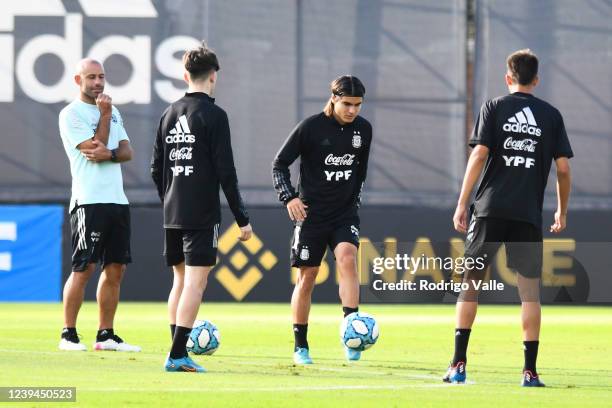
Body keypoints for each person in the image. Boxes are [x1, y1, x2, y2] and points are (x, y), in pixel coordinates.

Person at [444, 49, 573, 386]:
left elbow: (479, 155)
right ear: (537, 79)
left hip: (489, 209)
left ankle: (458, 365)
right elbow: (563, 169)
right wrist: (561, 209)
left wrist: (462, 202)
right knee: (530, 294)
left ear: (508, 77)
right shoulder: (551, 115)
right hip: (527, 215)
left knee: (470, 286)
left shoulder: (494, 107)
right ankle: (529, 371)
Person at [151, 42, 252, 373]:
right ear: (214, 76)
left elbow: (156, 168)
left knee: (179, 281)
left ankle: (176, 348)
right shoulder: (214, 115)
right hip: (201, 213)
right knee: (196, 283)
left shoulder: (168, 114)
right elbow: (227, 172)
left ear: (184, 75)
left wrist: (169, 199)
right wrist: (242, 219)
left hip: (172, 213)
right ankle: (177, 354)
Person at [272, 75, 372, 364]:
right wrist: (289, 197)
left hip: (344, 213)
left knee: (348, 259)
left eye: (357, 105)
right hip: (312, 215)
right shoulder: (311, 127)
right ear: (333, 98)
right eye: (346, 104)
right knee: (308, 277)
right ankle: (300, 346)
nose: (352, 110)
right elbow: (279, 164)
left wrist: (354, 201)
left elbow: (360, 170)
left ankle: (351, 333)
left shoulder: (363, 130)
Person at [58, 58, 140, 352]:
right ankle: (68, 334)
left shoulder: (113, 111)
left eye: (101, 76)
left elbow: (127, 151)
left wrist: (111, 153)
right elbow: (95, 148)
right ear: (77, 80)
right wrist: (104, 116)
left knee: (116, 268)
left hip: (117, 200)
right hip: (89, 200)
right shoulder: (71, 114)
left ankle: (106, 335)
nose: (98, 82)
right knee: (85, 267)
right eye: (91, 77)